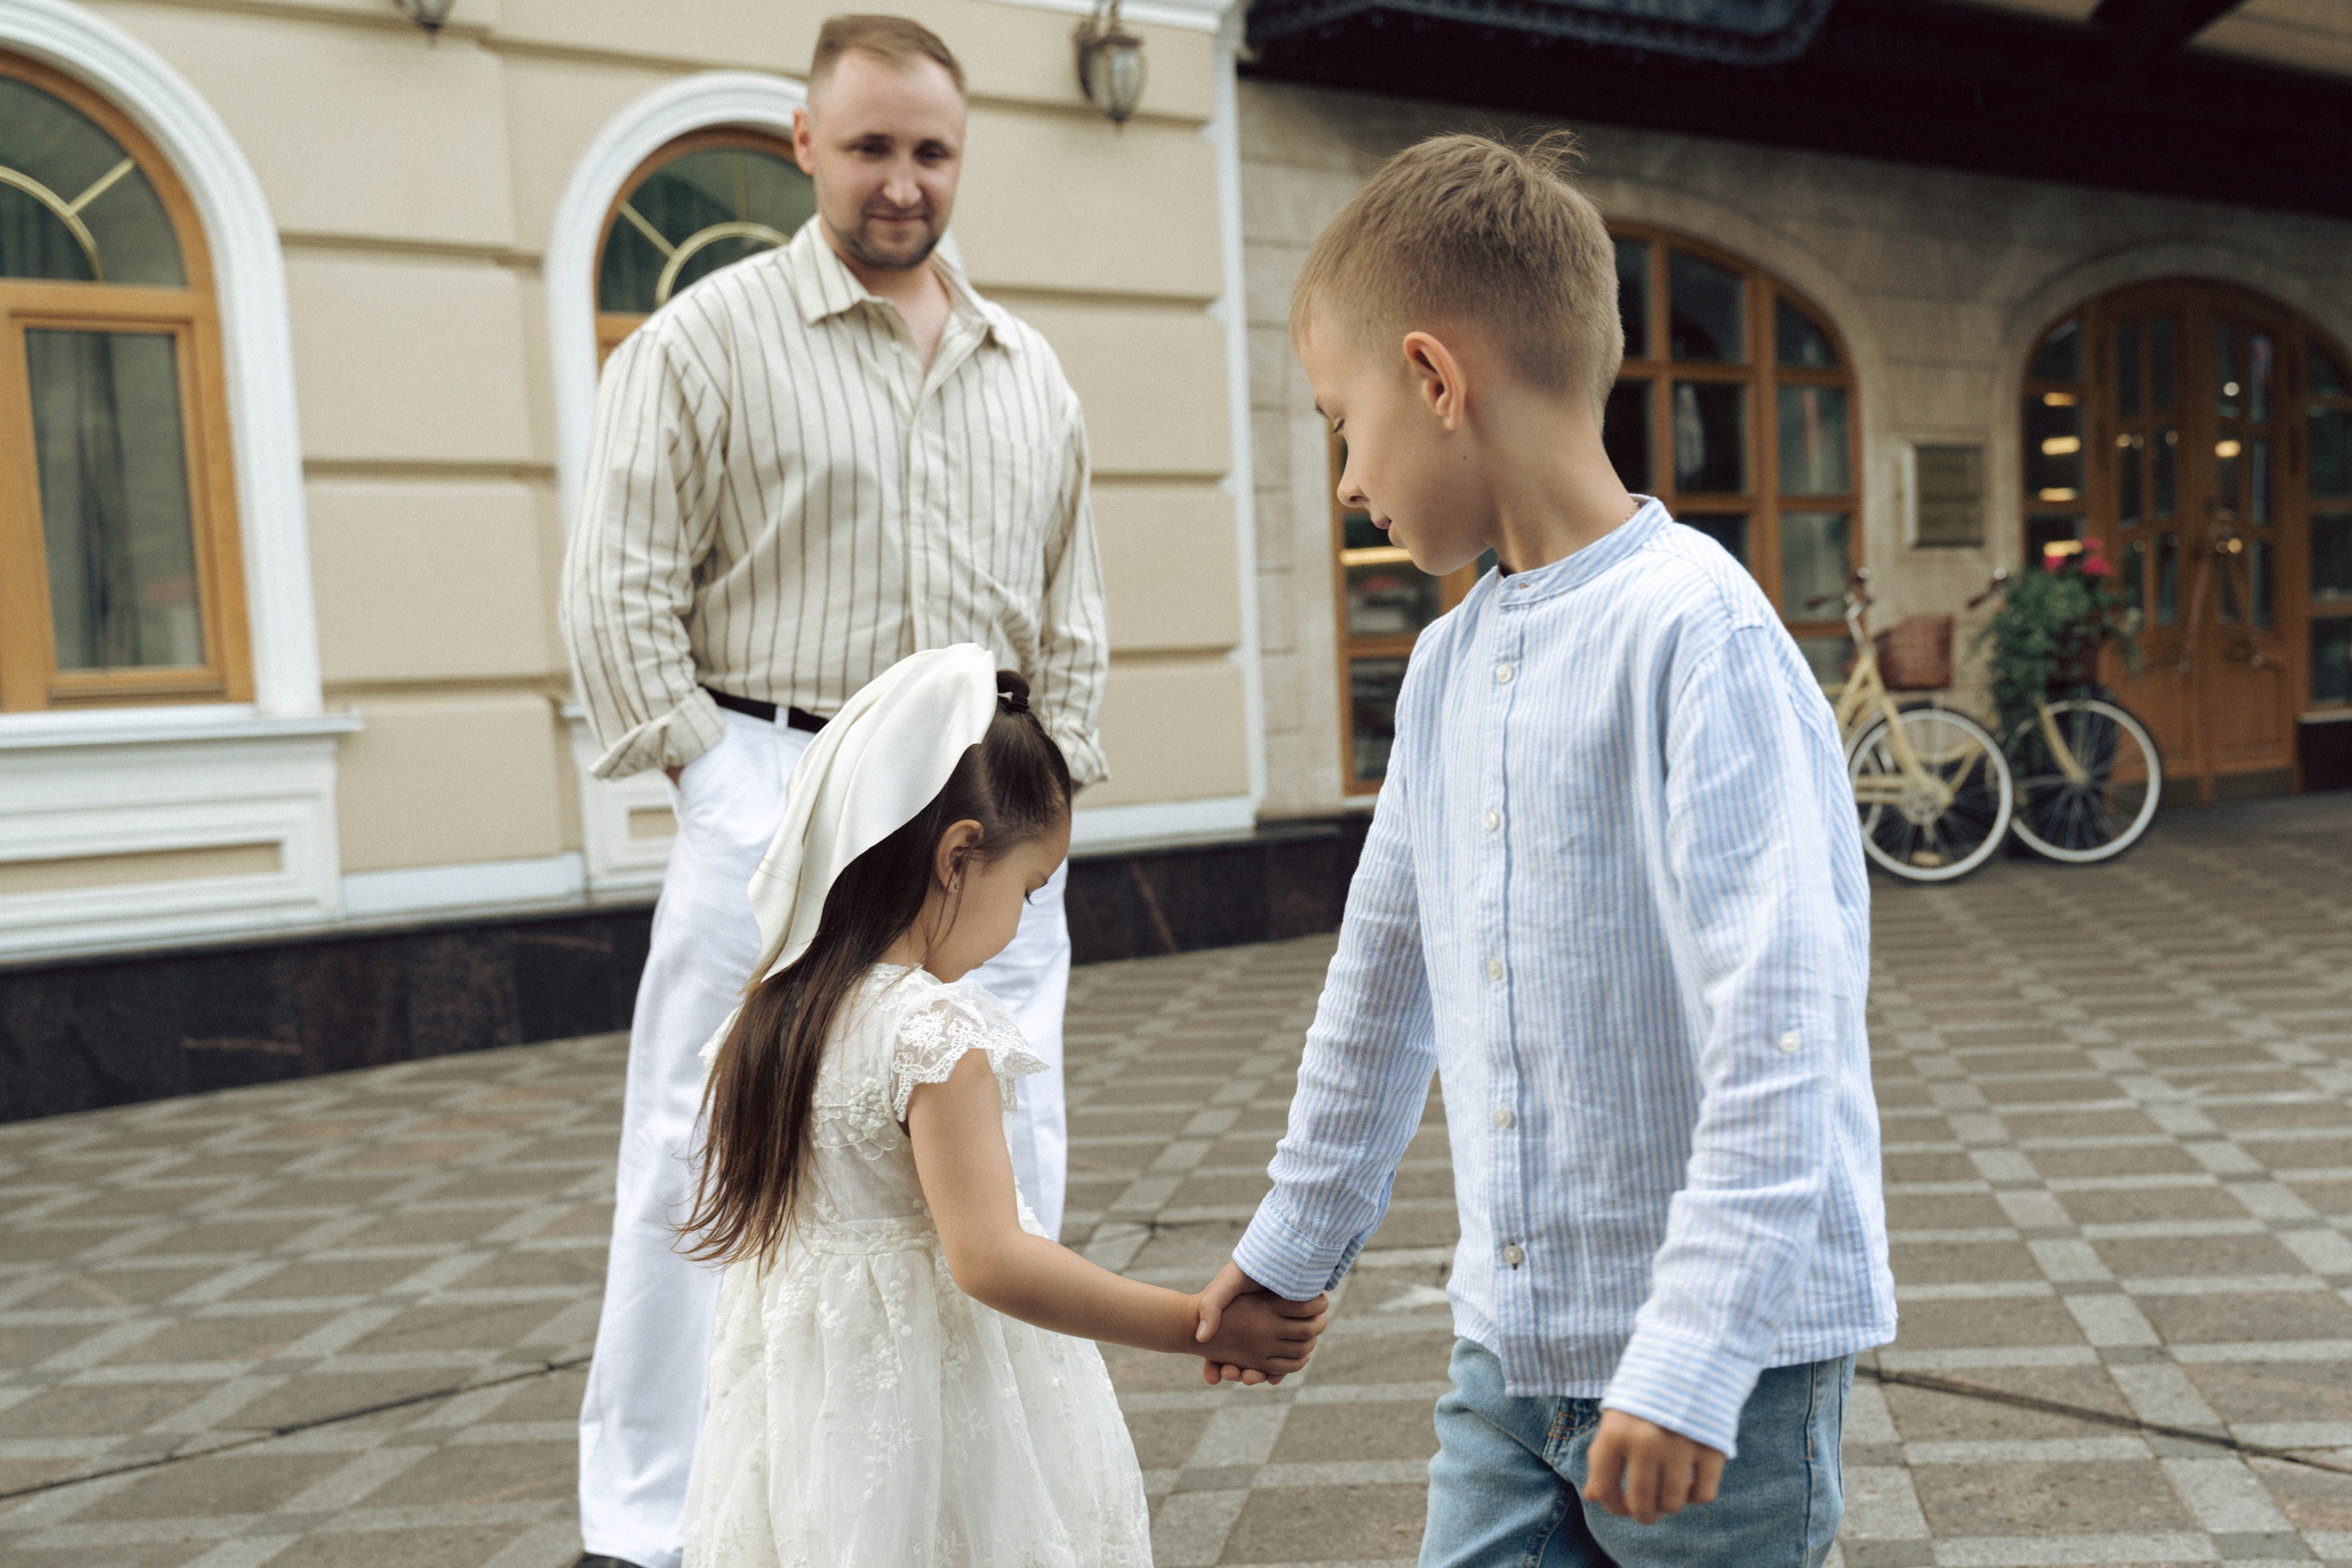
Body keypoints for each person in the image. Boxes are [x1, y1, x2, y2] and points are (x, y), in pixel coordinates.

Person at [1193, 134, 1897, 1567]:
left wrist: (1695, 1348)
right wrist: (1292, 1242)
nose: (1346, 479)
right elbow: (1380, 983)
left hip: (1730, 1378)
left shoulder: (1699, 634)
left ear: (1434, 378)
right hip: (1511, 1348)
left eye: (1343, 423)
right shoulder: (1445, 666)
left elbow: (1787, 1025)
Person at [560, 17, 1108, 1568]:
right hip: (778, 797)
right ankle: (651, 1522)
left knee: (1005, 1144)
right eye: (870, 146)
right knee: (708, 1147)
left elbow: (1071, 613)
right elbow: (615, 592)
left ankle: (981, 1506)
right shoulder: (704, 342)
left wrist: (1054, 797)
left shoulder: (1030, 374)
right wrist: (724, 785)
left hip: (987, 822)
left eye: (931, 150)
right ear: (805, 142)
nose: (902, 181)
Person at [677, 645, 1325, 1567]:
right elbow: (989, 1259)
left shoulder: (771, 1014)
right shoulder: (931, 1034)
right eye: (1028, 887)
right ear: (958, 856)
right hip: (938, 1405)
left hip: (811, 1415)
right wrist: (1195, 1324)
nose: (1022, 921)